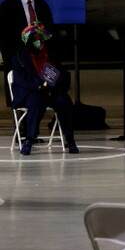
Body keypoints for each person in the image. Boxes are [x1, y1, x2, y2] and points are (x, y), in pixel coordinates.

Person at [9, 24, 78, 154]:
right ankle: (29, 139)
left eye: (41, 38)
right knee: (36, 102)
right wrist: (38, 85)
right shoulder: (19, 56)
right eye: (35, 38)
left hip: (51, 90)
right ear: (28, 40)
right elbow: (20, 80)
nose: (39, 41)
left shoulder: (49, 53)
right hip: (32, 91)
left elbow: (60, 72)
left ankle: (70, 140)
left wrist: (57, 81)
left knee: (64, 102)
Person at [2, 0, 55, 108]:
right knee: (24, 94)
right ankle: (23, 127)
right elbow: (5, 36)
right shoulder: (7, 7)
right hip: (20, 59)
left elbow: (50, 28)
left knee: (46, 94)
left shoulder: (42, 5)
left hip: (41, 57)